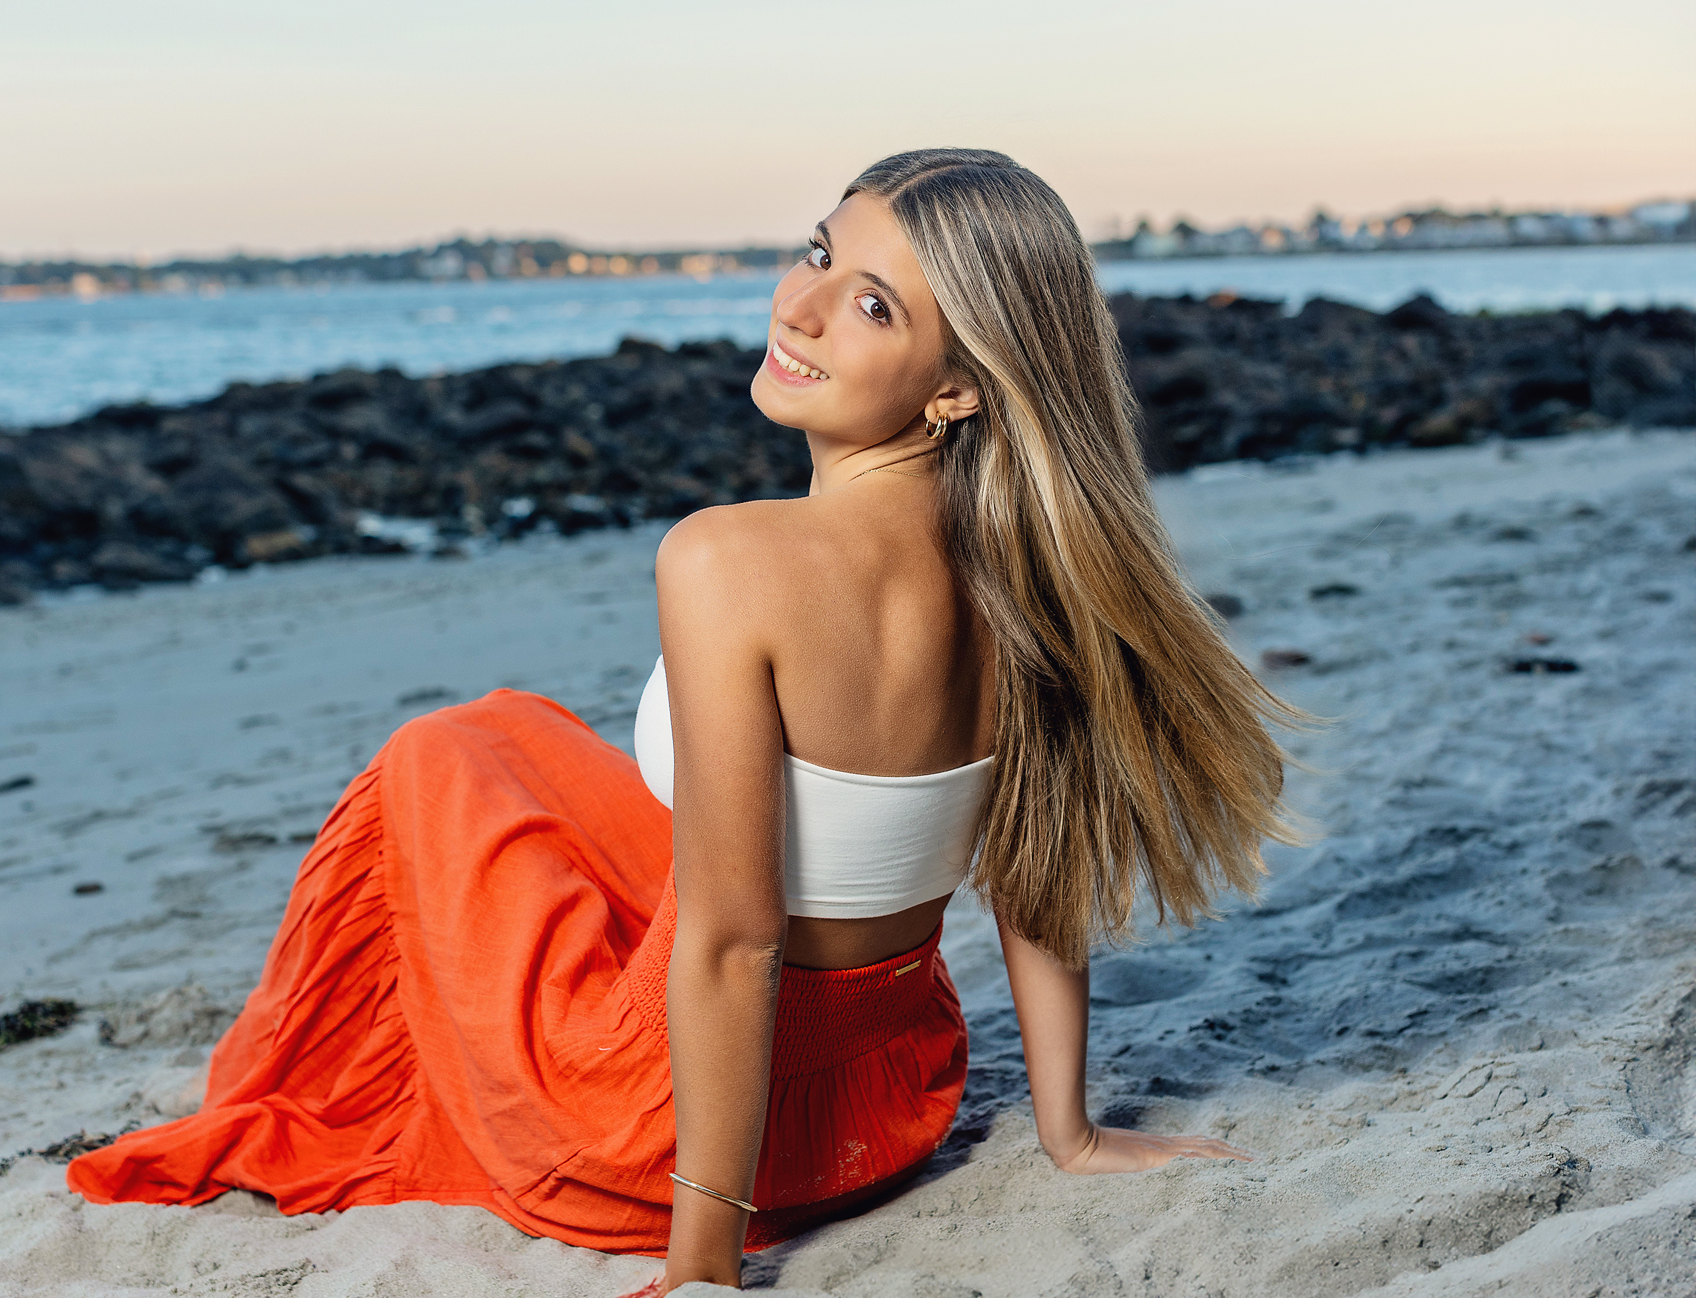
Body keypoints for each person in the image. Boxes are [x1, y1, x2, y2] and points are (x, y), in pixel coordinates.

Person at [67, 148, 1299, 1292]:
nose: (800, 309)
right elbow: (1039, 869)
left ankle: (282, 1078)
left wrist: (702, 1255)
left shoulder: (727, 557)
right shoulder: (1033, 569)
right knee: (513, 733)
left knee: (429, 761)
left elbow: (733, 944)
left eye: (874, 305)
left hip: (666, 1127)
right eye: (819, 253)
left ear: (960, 386)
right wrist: (1065, 1129)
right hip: (889, 1099)